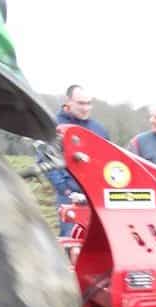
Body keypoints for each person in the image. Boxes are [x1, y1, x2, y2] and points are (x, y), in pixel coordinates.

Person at [46, 85, 110, 236]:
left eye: (89, 103)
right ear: (68, 101)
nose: (86, 108)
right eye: (81, 103)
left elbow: (106, 162)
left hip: (95, 195)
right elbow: (47, 163)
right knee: (72, 239)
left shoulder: (99, 130)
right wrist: (67, 191)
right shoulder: (54, 127)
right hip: (69, 196)